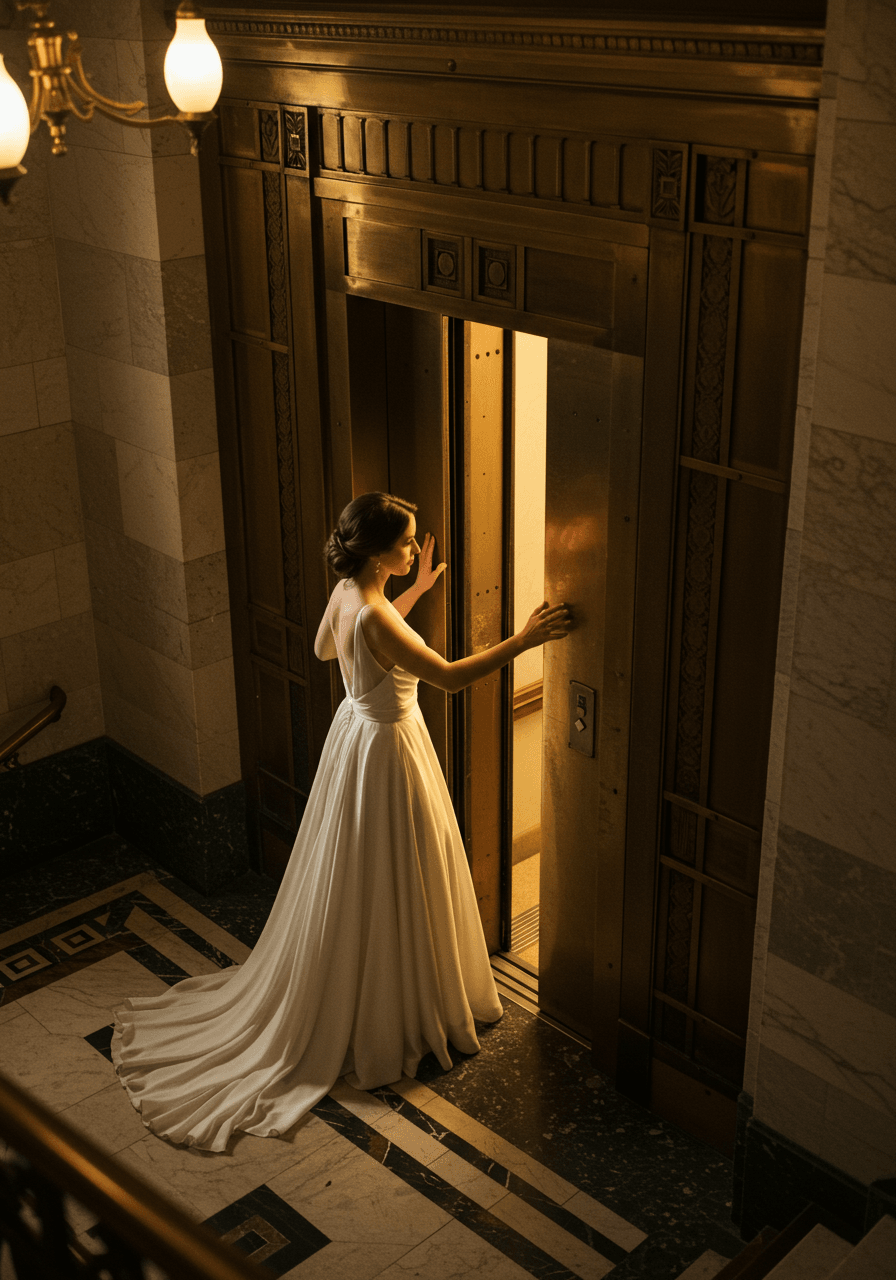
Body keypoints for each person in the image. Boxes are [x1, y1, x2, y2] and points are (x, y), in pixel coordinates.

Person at [112, 492, 571, 1152]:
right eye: (407, 543)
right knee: (399, 869)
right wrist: (524, 639)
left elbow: (333, 649)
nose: (415, 551)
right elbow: (447, 678)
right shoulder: (377, 614)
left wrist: (412, 594)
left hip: (355, 735)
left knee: (359, 871)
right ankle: (401, 1002)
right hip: (390, 750)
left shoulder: (348, 594)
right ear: (380, 552)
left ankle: (380, 981)